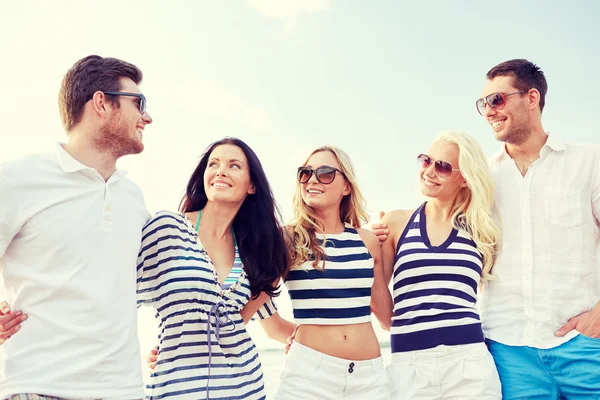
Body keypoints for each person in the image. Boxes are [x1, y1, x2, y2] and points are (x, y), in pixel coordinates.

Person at [0, 55, 153, 400]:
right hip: (38, 387)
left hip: (123, 390)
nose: (147, 116)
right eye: (138, 103)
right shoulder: (16, 180)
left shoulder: (133, 199)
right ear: (101, 102)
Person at [136, 137, 289, 399]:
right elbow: (120, 297)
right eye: (213, 164)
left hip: (244, 388)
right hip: (175, 389)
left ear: (252, 185)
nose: (220, 171)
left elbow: (259, 324)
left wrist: (327, 339)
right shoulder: (168, 228)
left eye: (234, 166)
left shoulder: (255, 252)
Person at [380, 132, 501, 399]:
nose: (429, 171)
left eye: (443, 167)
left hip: (469, 364)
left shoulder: (482, 230)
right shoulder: (394, 223)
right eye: (426, 161)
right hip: (408, 365)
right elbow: (376, 293)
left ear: (465, 179)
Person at [269, 145, 393, 399]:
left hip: (370, 378)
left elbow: (385, 314)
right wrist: (285, 332)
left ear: (346, 186)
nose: (312, 180)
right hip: (308, 377)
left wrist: (395, 242)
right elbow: (257, 299)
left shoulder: (367, 240)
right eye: (306, 173)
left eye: (325, 173)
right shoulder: (288, 238)